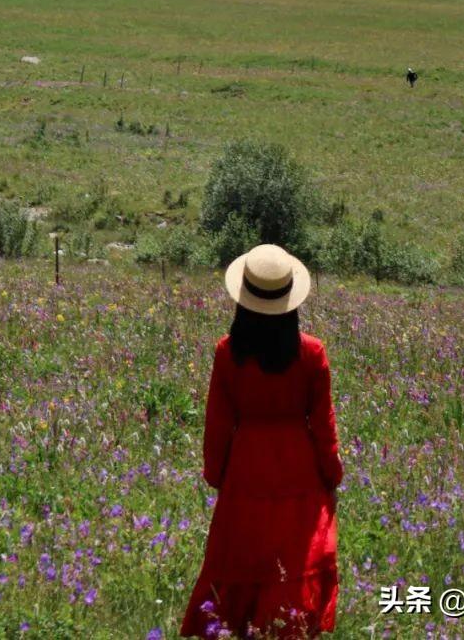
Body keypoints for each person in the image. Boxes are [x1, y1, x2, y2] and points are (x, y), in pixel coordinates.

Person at [181, 244, 343, 639]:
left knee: (241, 560)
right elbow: (323, 424)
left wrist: (217, 475)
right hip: (299, 474)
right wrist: (332, 475)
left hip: (245, 471)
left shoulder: (227, 352)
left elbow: (217, 423)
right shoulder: (311, 352)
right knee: (291, 563)